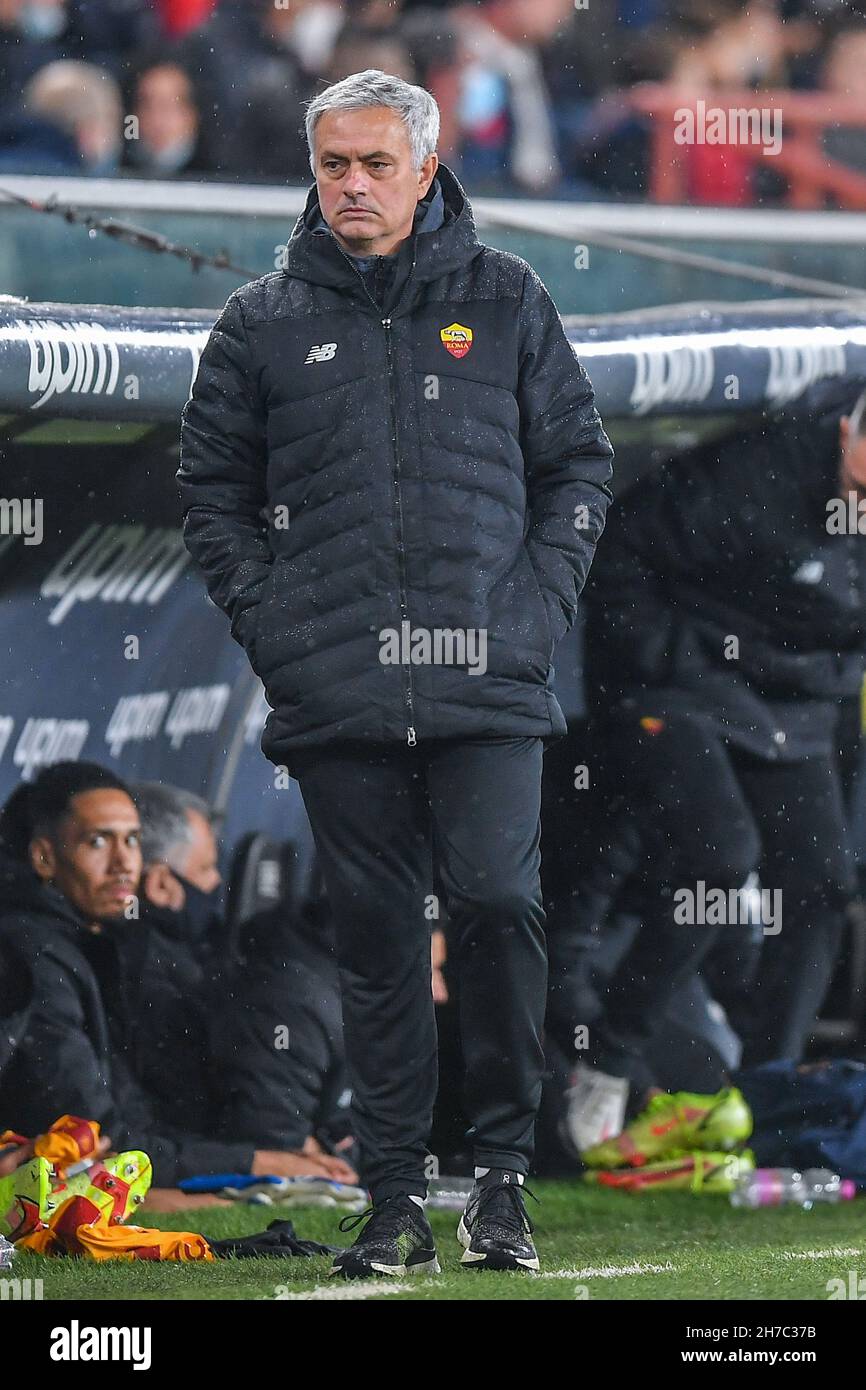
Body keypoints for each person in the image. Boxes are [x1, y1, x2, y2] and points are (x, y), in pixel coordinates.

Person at [177, 68, 613, 1276]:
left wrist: (530, 614)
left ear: (427, 169)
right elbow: (208, 493)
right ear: (311, 172)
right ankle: (392, 1202)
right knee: (373, 942)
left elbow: (579, 466)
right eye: (333, 165)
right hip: (337, 691)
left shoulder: (510, 297)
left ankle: (504, 1184)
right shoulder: (259, 319)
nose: (352, 184)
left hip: (488, 678)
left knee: (494, 905)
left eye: (376, 164)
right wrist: (278, 629)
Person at [551, 378, 866, 1146]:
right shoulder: (759, 470)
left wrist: (828, 677)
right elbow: (622, 543)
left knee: (821, 885)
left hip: (793, 698)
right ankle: (609, 1063)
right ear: (849, 435)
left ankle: (769, 1099)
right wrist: (654, 666)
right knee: (720, 862)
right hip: (682, 682)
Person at [0, 762, 355, 1187]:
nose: (123, 863)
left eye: (132, 840)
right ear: (44, 856)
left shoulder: (97, 943)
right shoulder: (33, 958)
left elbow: (133, 1121)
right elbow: (93, 1148)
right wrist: (259, 1165)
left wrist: (260, 1159)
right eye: (98, 842)